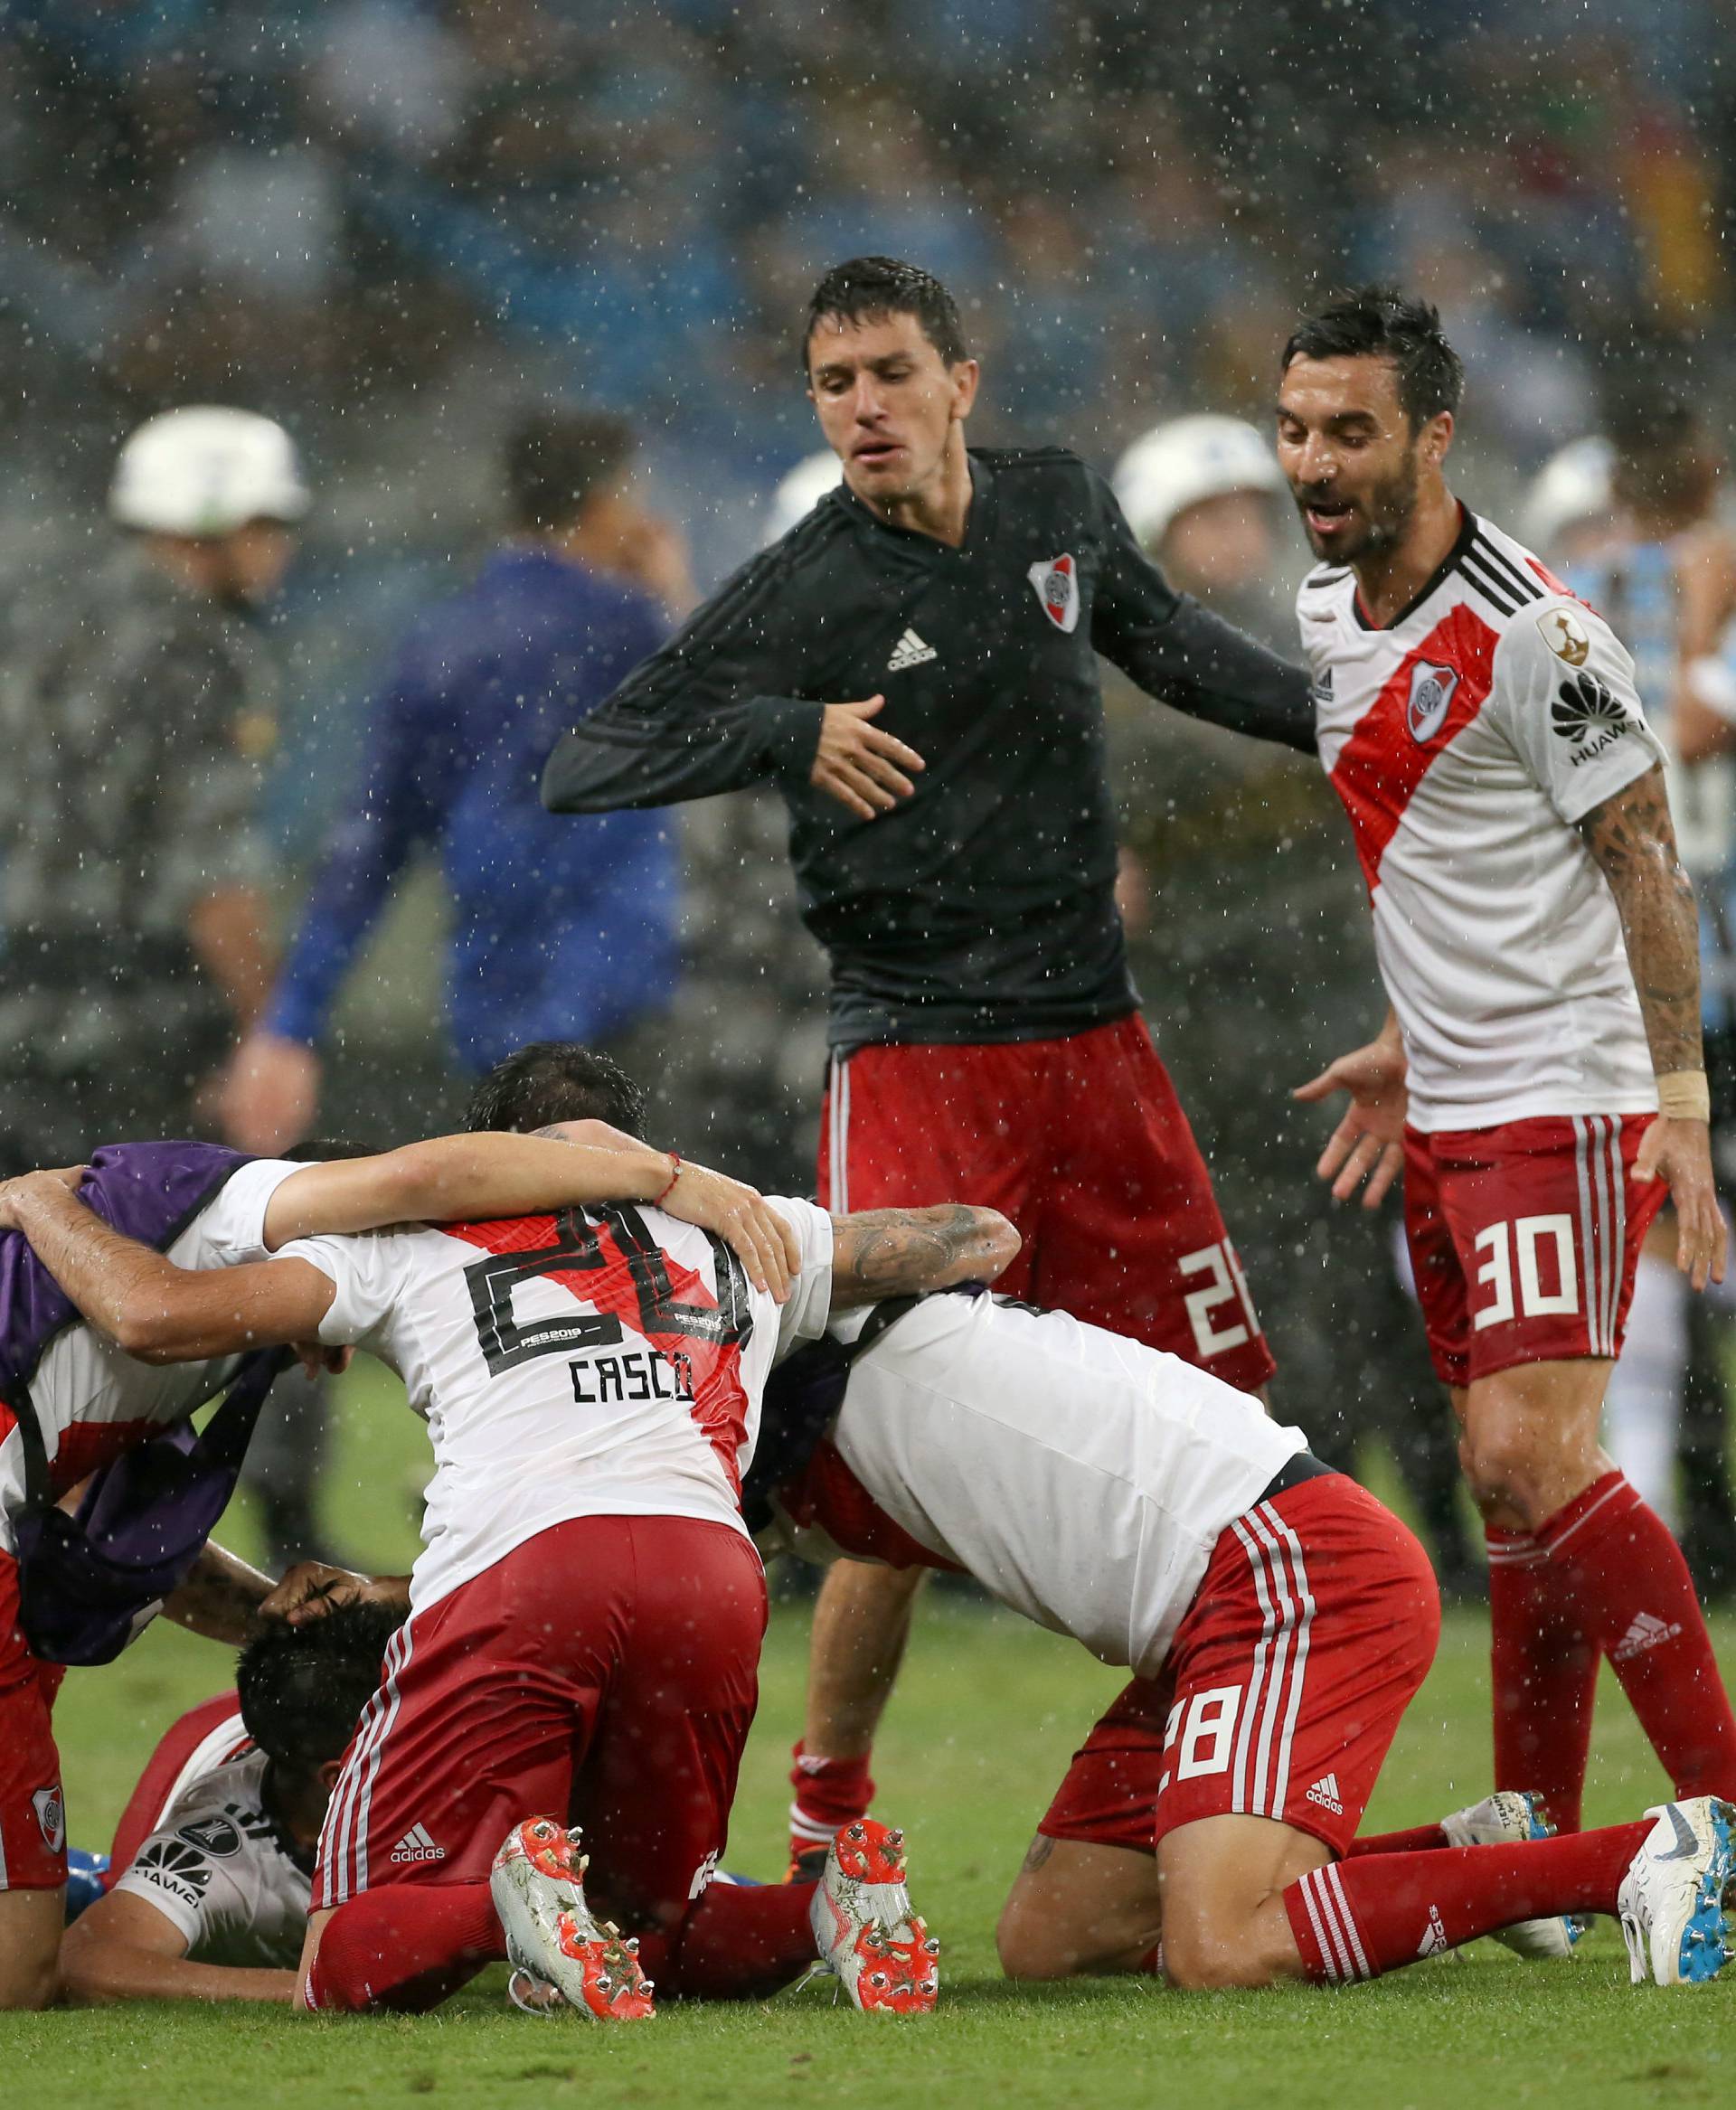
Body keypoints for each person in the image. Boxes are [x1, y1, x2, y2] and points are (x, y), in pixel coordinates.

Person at [540, 255, 1319, 1863]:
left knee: (1233, 1422)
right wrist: (785, 729)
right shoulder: (808, 581)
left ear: (964, 379)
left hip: (1097, 1039)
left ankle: (1200, 1785)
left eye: (891, 373)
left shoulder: (1054, 503)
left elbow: (1170, 648)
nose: (865, 408)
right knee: (896, 1442)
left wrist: (1348, 718)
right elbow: (588, 758)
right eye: (834, 385)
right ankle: (828, 1807)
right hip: (916, 1049)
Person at [0, 1042, 1021, 2019]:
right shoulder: (752, 1228)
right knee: (652, 1933)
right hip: (711, 1577)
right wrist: (711, 1201)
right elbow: (978, 1238)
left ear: (494, 1151)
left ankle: (502, 1898)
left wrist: (44, 1199)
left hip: (527, 1579)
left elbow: (161, 1312)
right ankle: (824, 1900)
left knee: (347, 1951)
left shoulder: (408, 1236)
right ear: (633, 1138)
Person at [1277, 287, 1736, 1836]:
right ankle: (1537, 1819)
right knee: (1505, 1485)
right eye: (1297, 430)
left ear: (1434, 435)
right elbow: (1436, 846)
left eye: (1352, 431)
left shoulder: (1536, 627)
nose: (1316, 463)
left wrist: (1679, 1105)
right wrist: (1412, 1033)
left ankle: (1723, 1804)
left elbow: (1643, 853)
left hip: (1565, 1085)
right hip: (1452, 1100)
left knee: (1532, 1446)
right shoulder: (1325, 614)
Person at [746, 1283, 1733, 1991]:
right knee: (1051, 1938)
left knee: (1220, 1949)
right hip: (1208, 1610)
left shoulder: (772, 1339)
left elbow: (970, 1234)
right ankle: (1472, 1850)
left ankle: (1637, 1854)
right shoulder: (807, 1363)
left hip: (1290, 1569)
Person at [1110, 411, 1481, 1599]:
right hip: (1221, 1037)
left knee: (1397, 1290)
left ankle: (1433, 1532)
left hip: (1342, 1015)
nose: (1234, 533)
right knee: (1279, 1297)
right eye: (1204, 516)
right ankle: (1323, 1539)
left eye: (1244, 511)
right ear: (1158, 542)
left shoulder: (1327, 644)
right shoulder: (1136, 695)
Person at [225, 408, 693, 1153]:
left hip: (491, 1019)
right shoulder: (631, 630)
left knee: (503, 1252)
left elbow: (369, 843)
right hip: (616, 1006)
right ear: (607, 503)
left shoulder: (441, 639)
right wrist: (674, 600)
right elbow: (733, 740)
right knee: (641, 1256)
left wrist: (292, 1021)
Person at [0, 406, 304, 1177]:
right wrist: (270, 1029)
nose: (283, 546)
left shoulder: (31, 621)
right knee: (147, 1279)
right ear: (209, 524)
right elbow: (211, 875)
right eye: (267, 521)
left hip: (19, 1018)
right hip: (140, 1039)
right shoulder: (204, 650)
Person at [1561, 395, 1736, 1598]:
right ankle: (1663, 1506)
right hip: (1709, 939)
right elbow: (1693, 723)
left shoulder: (1568, 595)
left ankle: (1647, 1505)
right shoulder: (1695, 590)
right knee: (1678, 1218)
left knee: (1660, 1224)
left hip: (1623, 954)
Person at [59, 1602, 401, 2003]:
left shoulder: (419, 1749)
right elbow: (83, 1963)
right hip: (202, 1754)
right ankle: (79, 1882)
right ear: (341, 1774)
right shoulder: (220, 1846)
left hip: (296, 1725)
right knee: (123, 1892)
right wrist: (307, 1990)